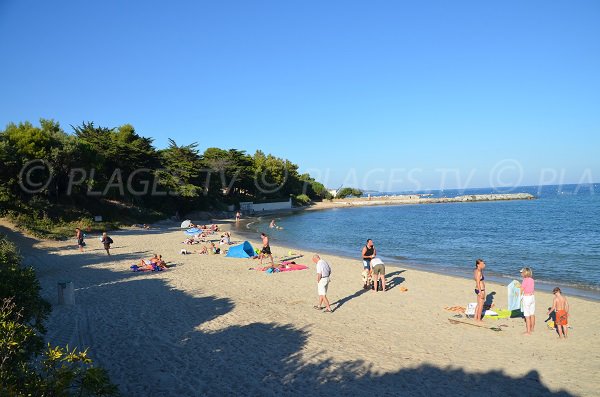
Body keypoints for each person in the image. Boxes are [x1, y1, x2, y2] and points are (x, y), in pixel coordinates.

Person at [520, 267, 536, 335]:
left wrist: (518, 294)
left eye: (522, 272)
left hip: (527, 298)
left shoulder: (525, 280)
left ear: (524, 273)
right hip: (532, 297)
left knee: (527, 315)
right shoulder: (532, 280)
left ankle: (528, 331)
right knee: (532, 314)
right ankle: (532, 328)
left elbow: (522, 289)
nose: (521, 274)